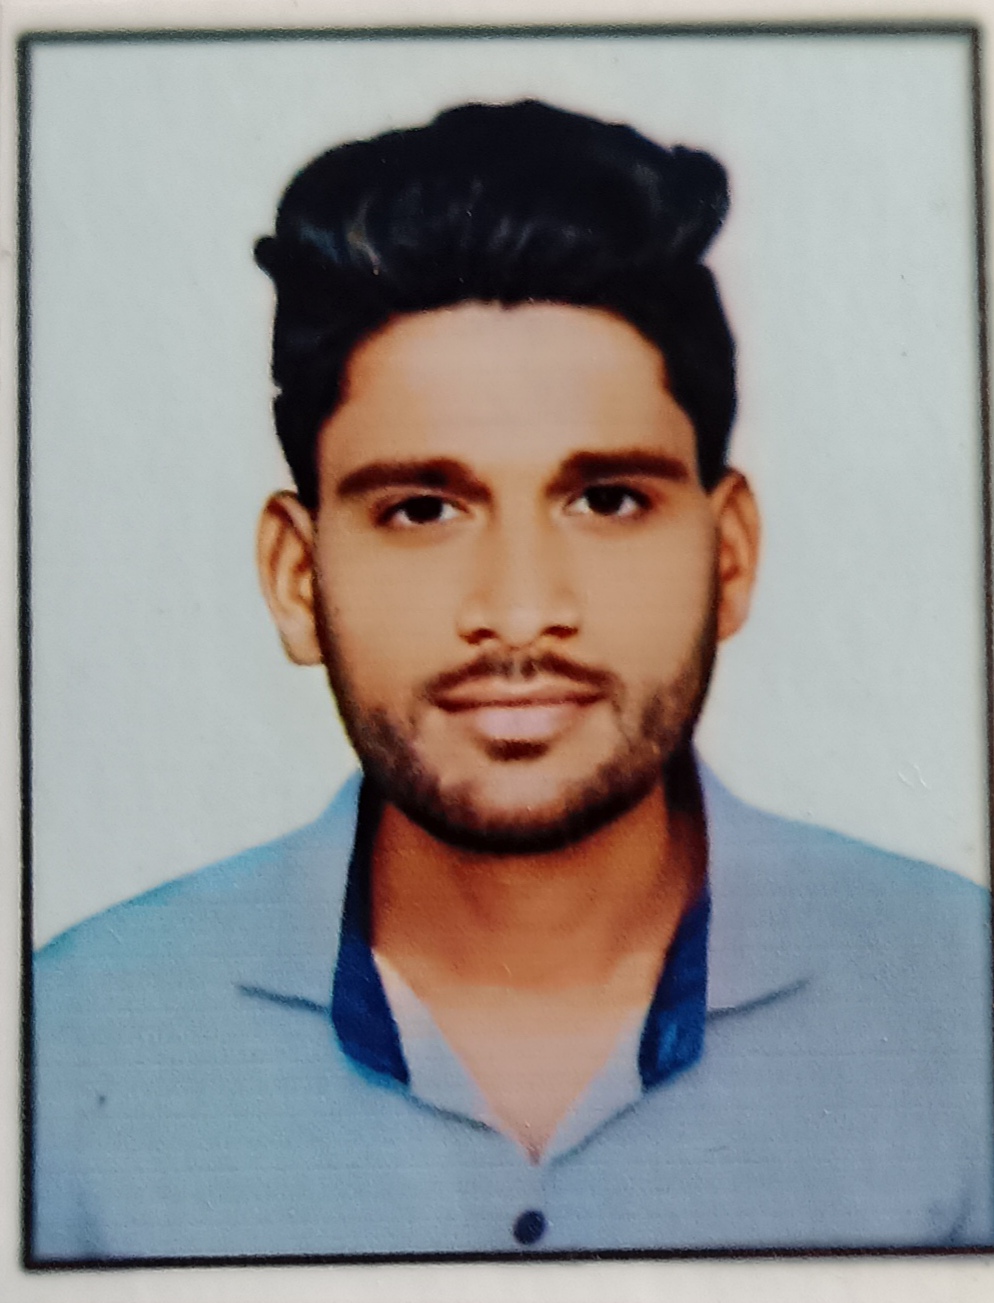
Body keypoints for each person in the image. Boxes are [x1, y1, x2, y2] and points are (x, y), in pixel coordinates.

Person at [32, 100, 993, 1261]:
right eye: (422, 509)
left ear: (729, 556)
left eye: (606, 499)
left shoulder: (963, 1001)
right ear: (295, 577)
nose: (522, 609)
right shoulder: (65, 1047)